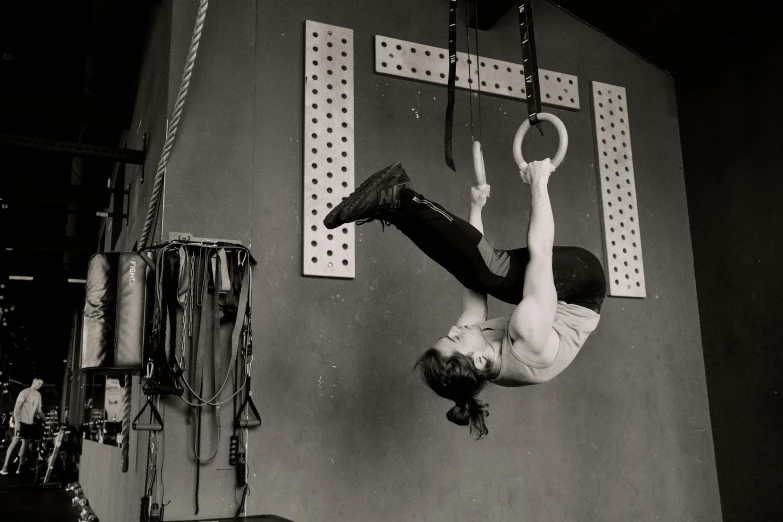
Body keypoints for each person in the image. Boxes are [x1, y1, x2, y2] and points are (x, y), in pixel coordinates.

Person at [324, 159, 606, 439]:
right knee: (496, 271)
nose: (453, 330)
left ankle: (396, 211)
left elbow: (472, 284)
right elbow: (540, 252)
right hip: (583, 286)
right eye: (455, 338)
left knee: (481, 274)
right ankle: (401, 197)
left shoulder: (475, 353)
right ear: (481, 361)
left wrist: (476, 210)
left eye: (449, 335)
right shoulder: (528, 336)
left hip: (555, 295)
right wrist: (539, 182)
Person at [1, 377, 45, 475]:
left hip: (29, 424)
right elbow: (16, 408)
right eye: (39, 383)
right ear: (33, 382)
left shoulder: (38, 395)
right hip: (21, 422)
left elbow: (39, 411)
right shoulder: (25, 392)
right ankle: (5, 467)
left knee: (25, 445)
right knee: (14, 443)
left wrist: (46, 420)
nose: (40, 385)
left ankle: (20, 468)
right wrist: (17, 423)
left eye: (41, 384)